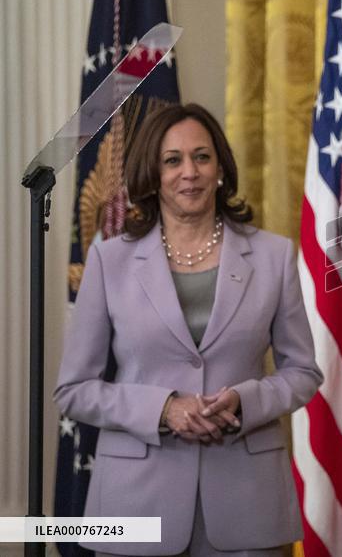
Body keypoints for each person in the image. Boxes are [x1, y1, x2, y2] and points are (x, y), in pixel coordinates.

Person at [55, 103, 323, 556]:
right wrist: (164, 409)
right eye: (172, 160)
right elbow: (73, 390)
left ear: (220, 167)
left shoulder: (274, 257)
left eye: (202, 157)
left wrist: (246, 400)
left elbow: (303, 373)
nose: (189, 172)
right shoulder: (110, 260)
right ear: (153, 173)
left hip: (247, 504)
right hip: (134, 506)